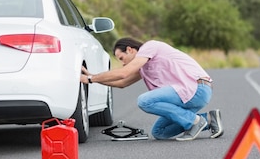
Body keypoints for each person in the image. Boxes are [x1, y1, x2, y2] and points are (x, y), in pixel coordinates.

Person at [80, 37, 223, 140]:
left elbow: (124, 73)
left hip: (197, 88)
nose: (122, 63)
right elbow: (122, 83)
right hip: (187, 95)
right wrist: (92, 78)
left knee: (144, 101)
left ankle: (194, 122)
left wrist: (91, 79)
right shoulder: (143, 67)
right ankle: (208, 119)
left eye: (121, 58)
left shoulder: (150, 47)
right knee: (160, 132)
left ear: (130, 50)